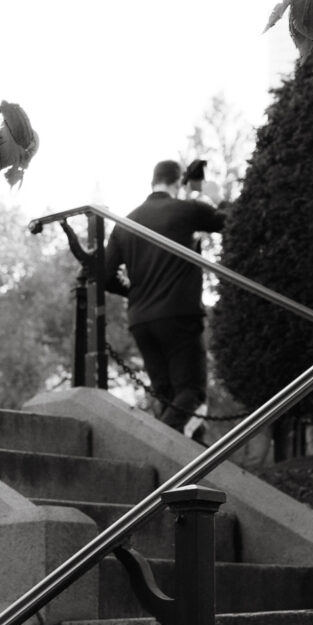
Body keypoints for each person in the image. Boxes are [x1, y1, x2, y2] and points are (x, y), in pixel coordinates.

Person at [99, 158, 228, 430]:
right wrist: (214, 196)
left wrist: (134, 291)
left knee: (168, 396)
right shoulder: (186, 210)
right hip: (179, 316)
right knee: (191, 392)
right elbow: (231, 222)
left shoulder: (126, 222)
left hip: (141, 320)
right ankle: (153, 449)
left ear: (153, 182)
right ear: (178, 181)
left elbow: (104, 277)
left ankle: (179, 462)